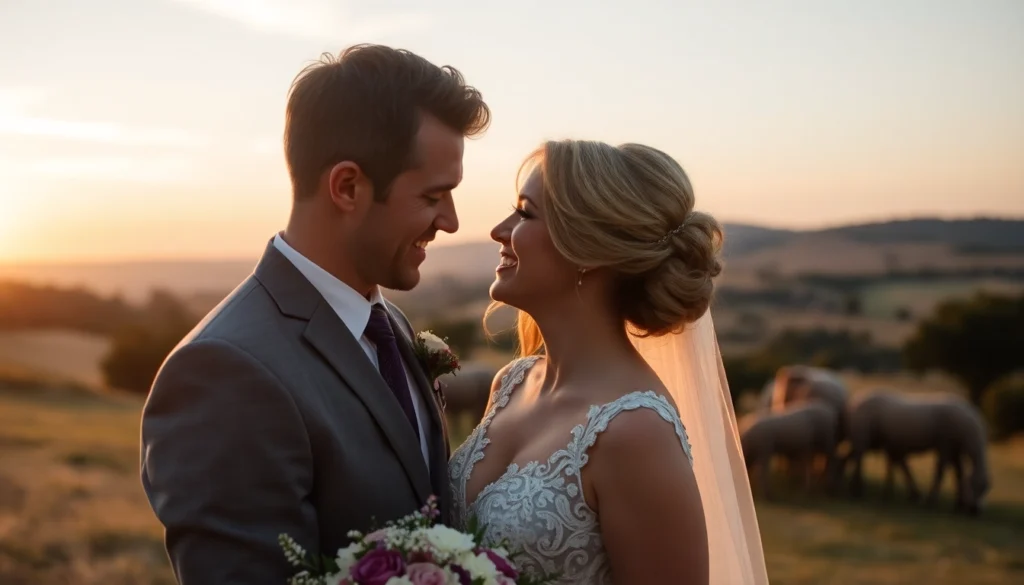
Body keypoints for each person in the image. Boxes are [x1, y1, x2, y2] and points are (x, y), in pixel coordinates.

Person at [140, 44, 490, 584]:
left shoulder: (387, 325)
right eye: (432, 196)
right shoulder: (225, 373)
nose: (450, 221)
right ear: (347, 187)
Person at [449, 140, 768, 584]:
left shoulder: (636, 431)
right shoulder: (511, 384)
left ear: (587, 250)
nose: (499, 230)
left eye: (525, 213)